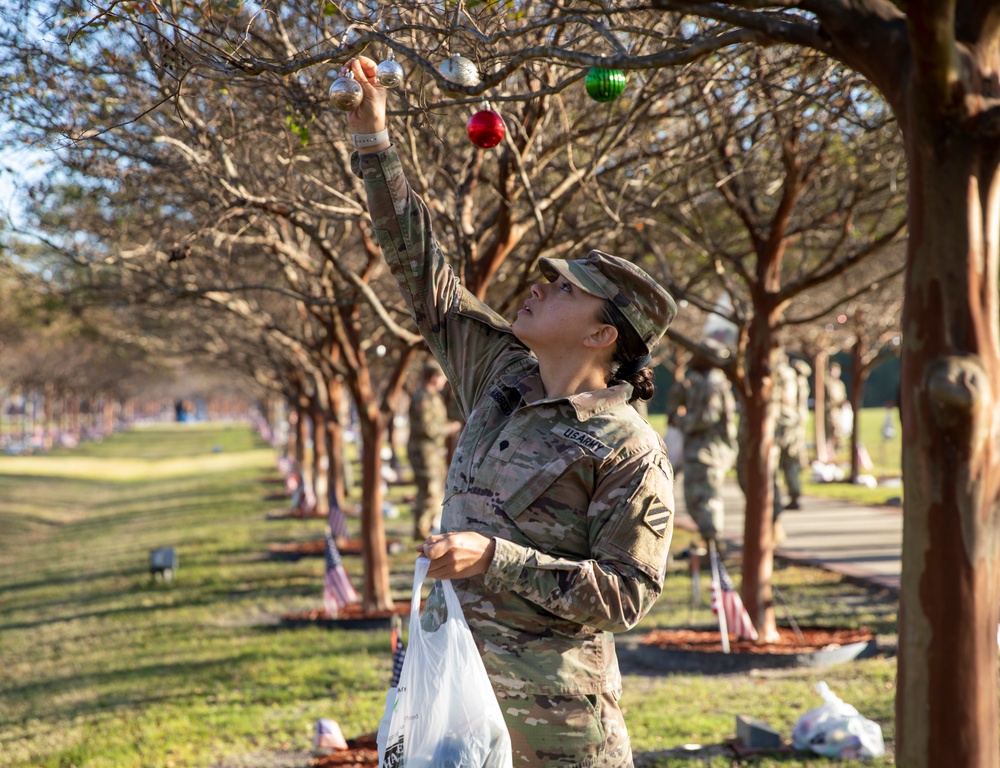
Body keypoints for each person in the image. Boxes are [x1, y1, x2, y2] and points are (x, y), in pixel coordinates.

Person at [346, 55, 676, 767]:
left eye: (563, 289)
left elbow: (626, 595)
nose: (537, 287)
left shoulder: (627, 448)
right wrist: (374, 145)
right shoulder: (501, 377)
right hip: (455, 706)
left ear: (601, 334)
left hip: (555, 732)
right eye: (549, 277)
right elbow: (425, 277)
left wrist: (498, 559)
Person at [666, 339, 737, 548]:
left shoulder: (711, 384)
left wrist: (677, 420)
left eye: (697, 354)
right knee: (696, 499)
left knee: (704, 499)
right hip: (700, 450)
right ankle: (710, 544)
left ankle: (715, 548)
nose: (693, 358)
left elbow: (705, 418)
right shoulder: (701, 381)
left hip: (707, 452)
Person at [406, 359, 458, 540]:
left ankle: (424, 527)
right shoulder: (423, 397)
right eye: (441, 377)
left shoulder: (432, 396)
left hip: (432, 452)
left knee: (432, 491)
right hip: (424, 452)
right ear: (433, 377)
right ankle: (422, 531)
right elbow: (427, 429)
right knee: (429, 491)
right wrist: (449, 428)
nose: (444, 382)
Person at [773, 352, 805, 512]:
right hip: (792, 418)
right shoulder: (791, 373)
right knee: (791, 460)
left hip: (778, 419)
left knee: (775, 461)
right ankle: (794, 493)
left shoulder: (776, 372)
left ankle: (776, 496)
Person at [824, 361, 848, 458]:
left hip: (838, 411)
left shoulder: (840, 384)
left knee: (838, 431)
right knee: (831, 431)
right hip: (829, 411)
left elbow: (842, 397)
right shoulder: (827, 383)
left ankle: (837, 449)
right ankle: (829, 451)